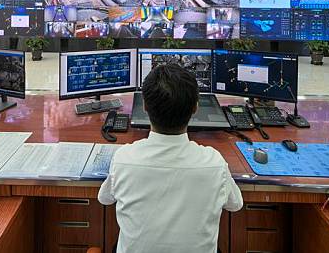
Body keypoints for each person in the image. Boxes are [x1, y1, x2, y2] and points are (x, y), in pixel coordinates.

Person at [98, 63, 243, 253]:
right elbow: (235, 204)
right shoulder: (214, 163)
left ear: (145, 106)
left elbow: (105, 199)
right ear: (195, 107)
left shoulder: (124, 158)